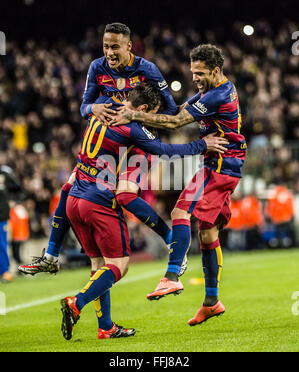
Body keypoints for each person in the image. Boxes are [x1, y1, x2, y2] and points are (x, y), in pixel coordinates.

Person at [60, 82, 229, 340]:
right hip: (99, 201)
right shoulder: (133, 128)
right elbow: (165, 150)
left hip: (75, 197)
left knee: (99, 264)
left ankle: (105, 327)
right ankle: (77, 302)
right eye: (152, 112)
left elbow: (86, 105)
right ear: (143, 109)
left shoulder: (103, 108)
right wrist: (202, 145)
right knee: (119, 265)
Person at [18, 22, 179, 276]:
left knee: (126, 195)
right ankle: (51, 255)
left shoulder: (148, 70)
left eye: (115, 46)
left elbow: (171, 110)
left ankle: (171, 239)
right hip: (108, 141)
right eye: (106, 46)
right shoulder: (97, 67)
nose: (110, 52)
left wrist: (135, 118)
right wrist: (94, 108)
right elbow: (84, 107)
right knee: (69, 188)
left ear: (129, 46)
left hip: (138, 140)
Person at [110, 44, 247, 326]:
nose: (194, 77)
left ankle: (171, 276)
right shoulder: (215, 89)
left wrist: (135, 115)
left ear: (216, 71)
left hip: (219, 165)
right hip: (224, 164)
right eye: (192, 72)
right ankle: (211, 301)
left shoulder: (217, 94)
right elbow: (181, 109)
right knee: (207, 232)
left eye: (200, 73)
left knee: (179, 212)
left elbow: (176, 123)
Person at [0, 154, 26, 282]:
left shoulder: (5, 173)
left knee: (2, 244)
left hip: (1, 216)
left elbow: (21, 191)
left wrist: (13, 201)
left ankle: (5, 272)